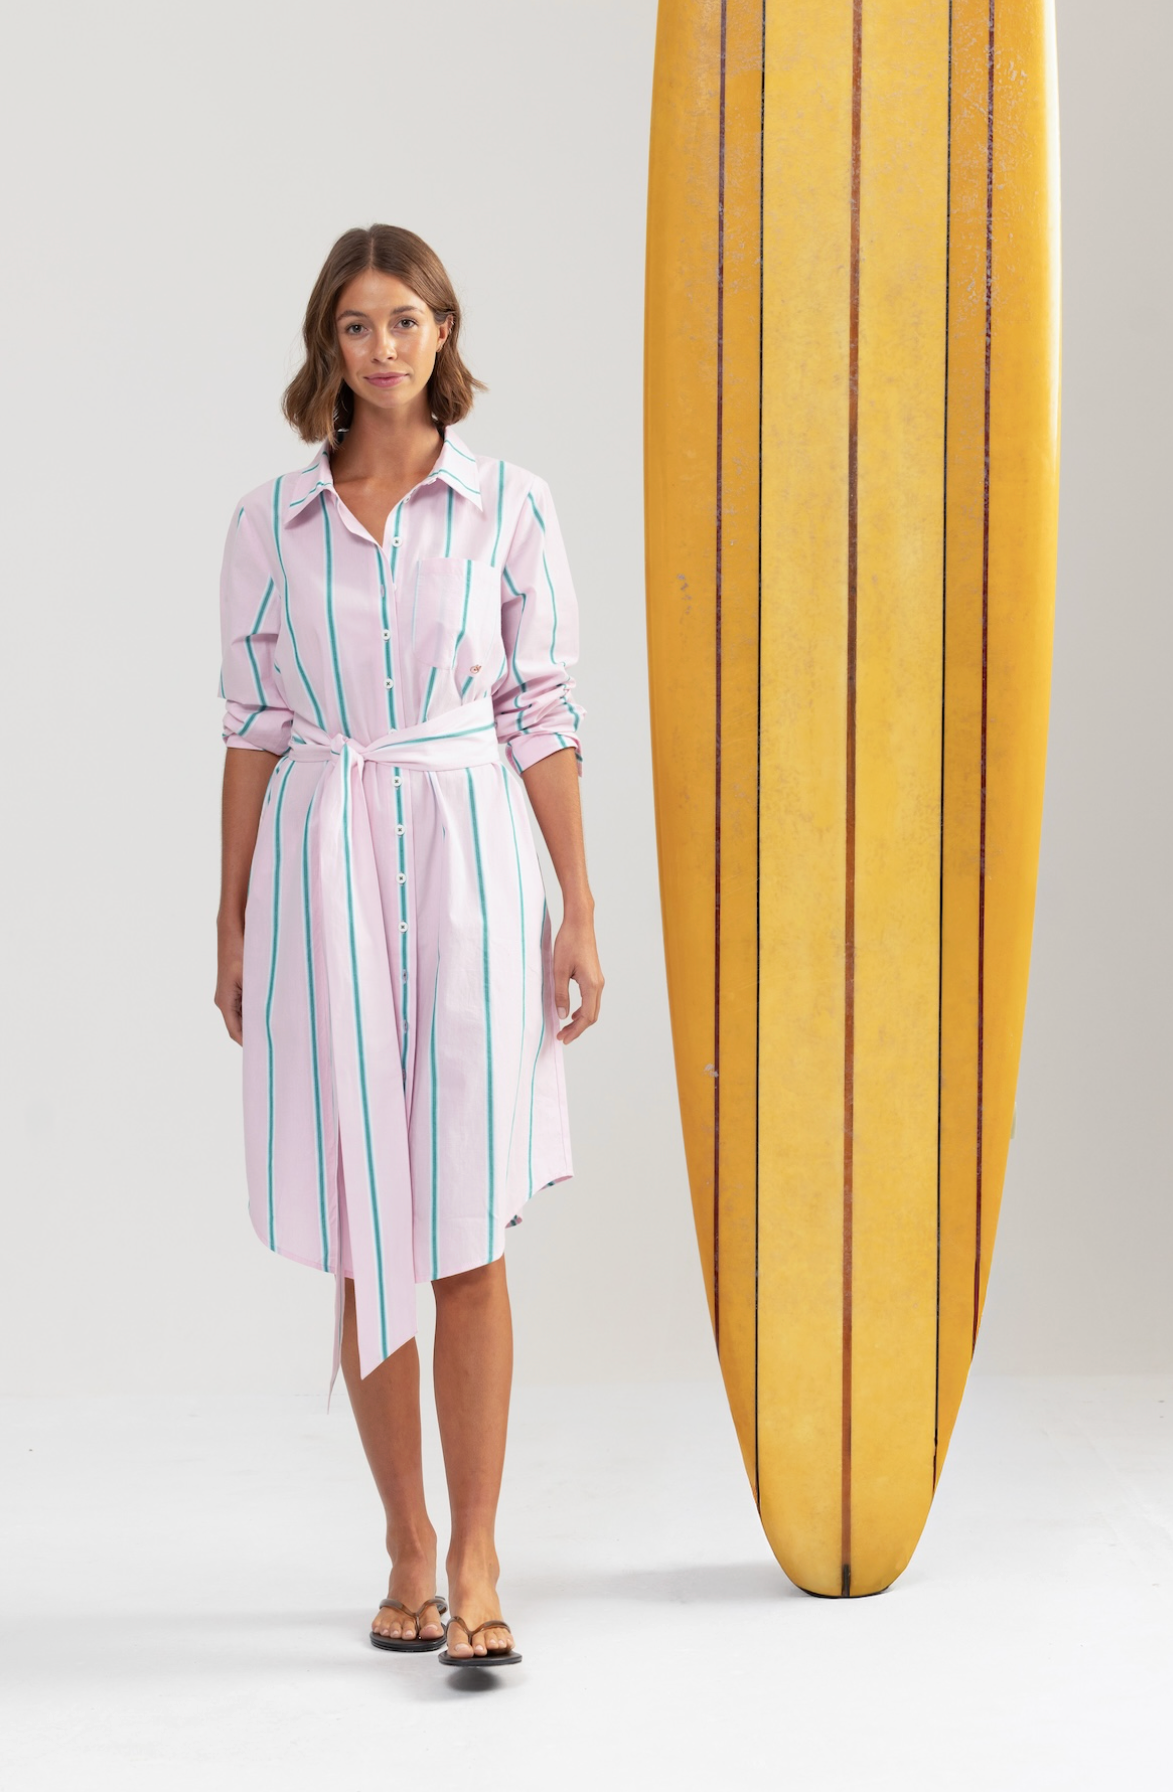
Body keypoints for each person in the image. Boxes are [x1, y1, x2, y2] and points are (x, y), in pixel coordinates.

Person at [213, 224, 603, 1666]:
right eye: (356, 324)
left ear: (445, 332)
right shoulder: (273, 519)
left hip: (472, 873)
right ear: (329, 342)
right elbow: (254, 724)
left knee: (467, 1224)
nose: (383, 347)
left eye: (406, 320)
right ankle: (407, 1547)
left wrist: (577, 908)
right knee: (365, 1220)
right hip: (320, 868)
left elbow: (538, 714)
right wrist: (231, 915)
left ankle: (481, 1554)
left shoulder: (509, 506)